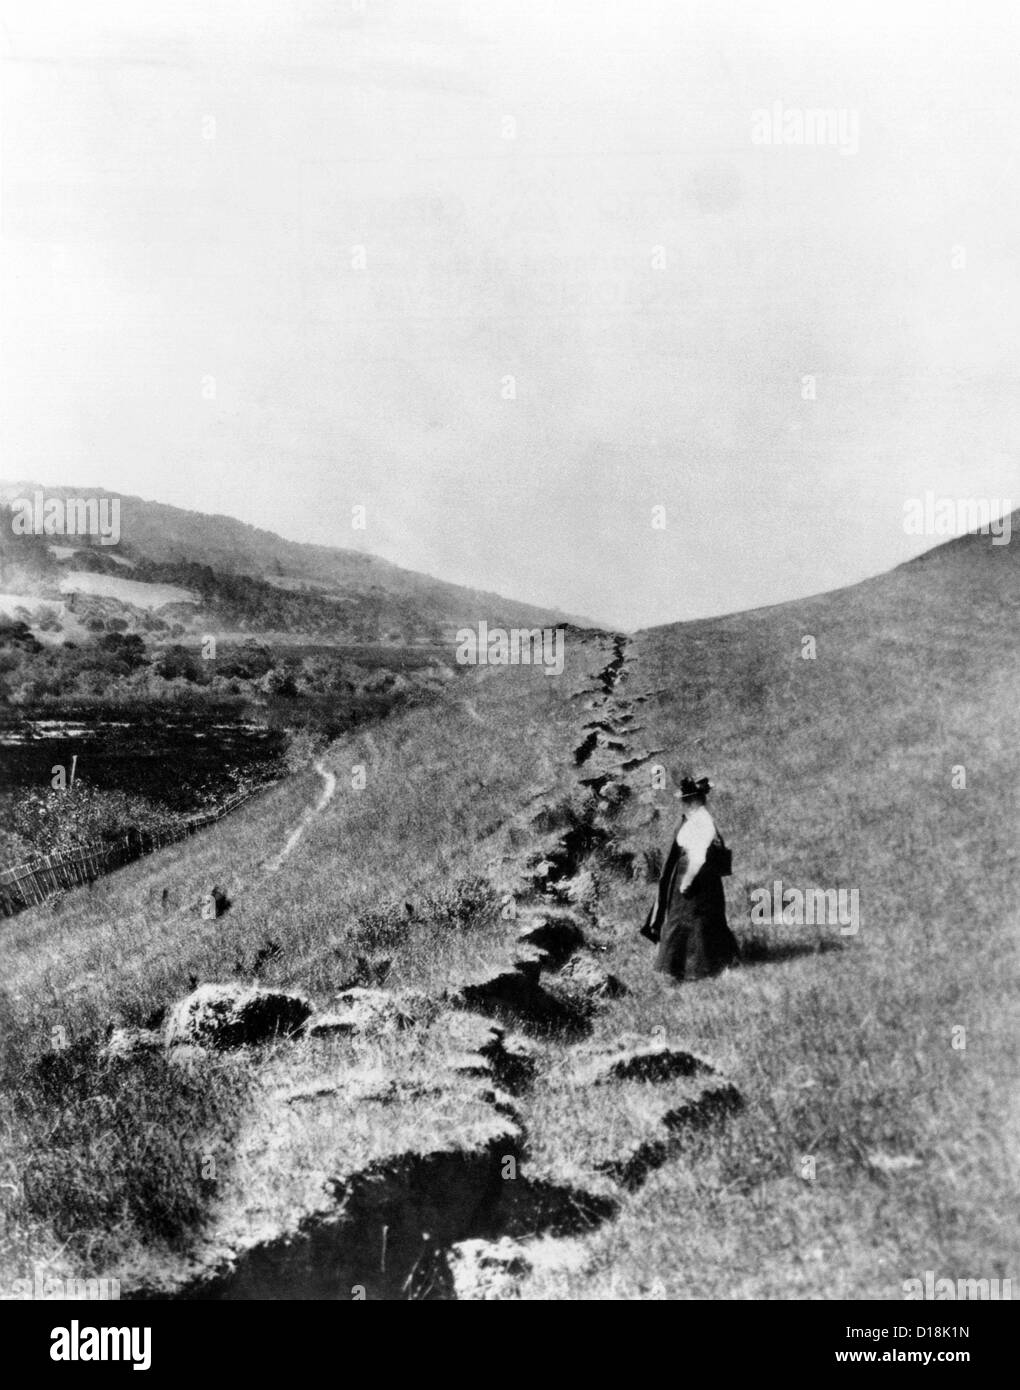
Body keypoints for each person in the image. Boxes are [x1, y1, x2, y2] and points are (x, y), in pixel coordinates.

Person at [642, 774, 739, 981]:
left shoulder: (701, 820)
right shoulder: (696, 818)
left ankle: (702, 968)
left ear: (695, 800)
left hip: (697, 878)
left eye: (686, 800)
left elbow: (698, 856)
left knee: (694, 922)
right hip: (695, 876)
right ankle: (691, 968)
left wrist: (687, 881)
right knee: (692, 920)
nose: (683, 803)